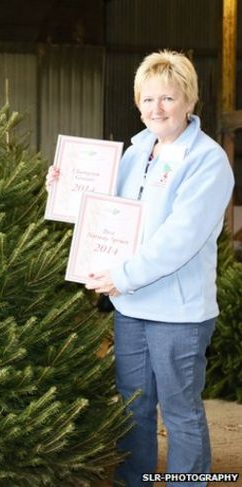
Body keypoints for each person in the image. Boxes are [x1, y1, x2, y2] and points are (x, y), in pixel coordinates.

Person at [48, 50, 234, 486]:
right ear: (137, 103)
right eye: (148, 100)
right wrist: (65, 188)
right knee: (133, 406)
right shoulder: (136, 152)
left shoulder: (207, 161)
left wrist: (123, 276)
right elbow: (103, 211)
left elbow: (180, 239)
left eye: (167, 99)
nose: (157, 109)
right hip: (131, 307)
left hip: (178, 314)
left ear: (189, 101)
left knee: (180, 410)